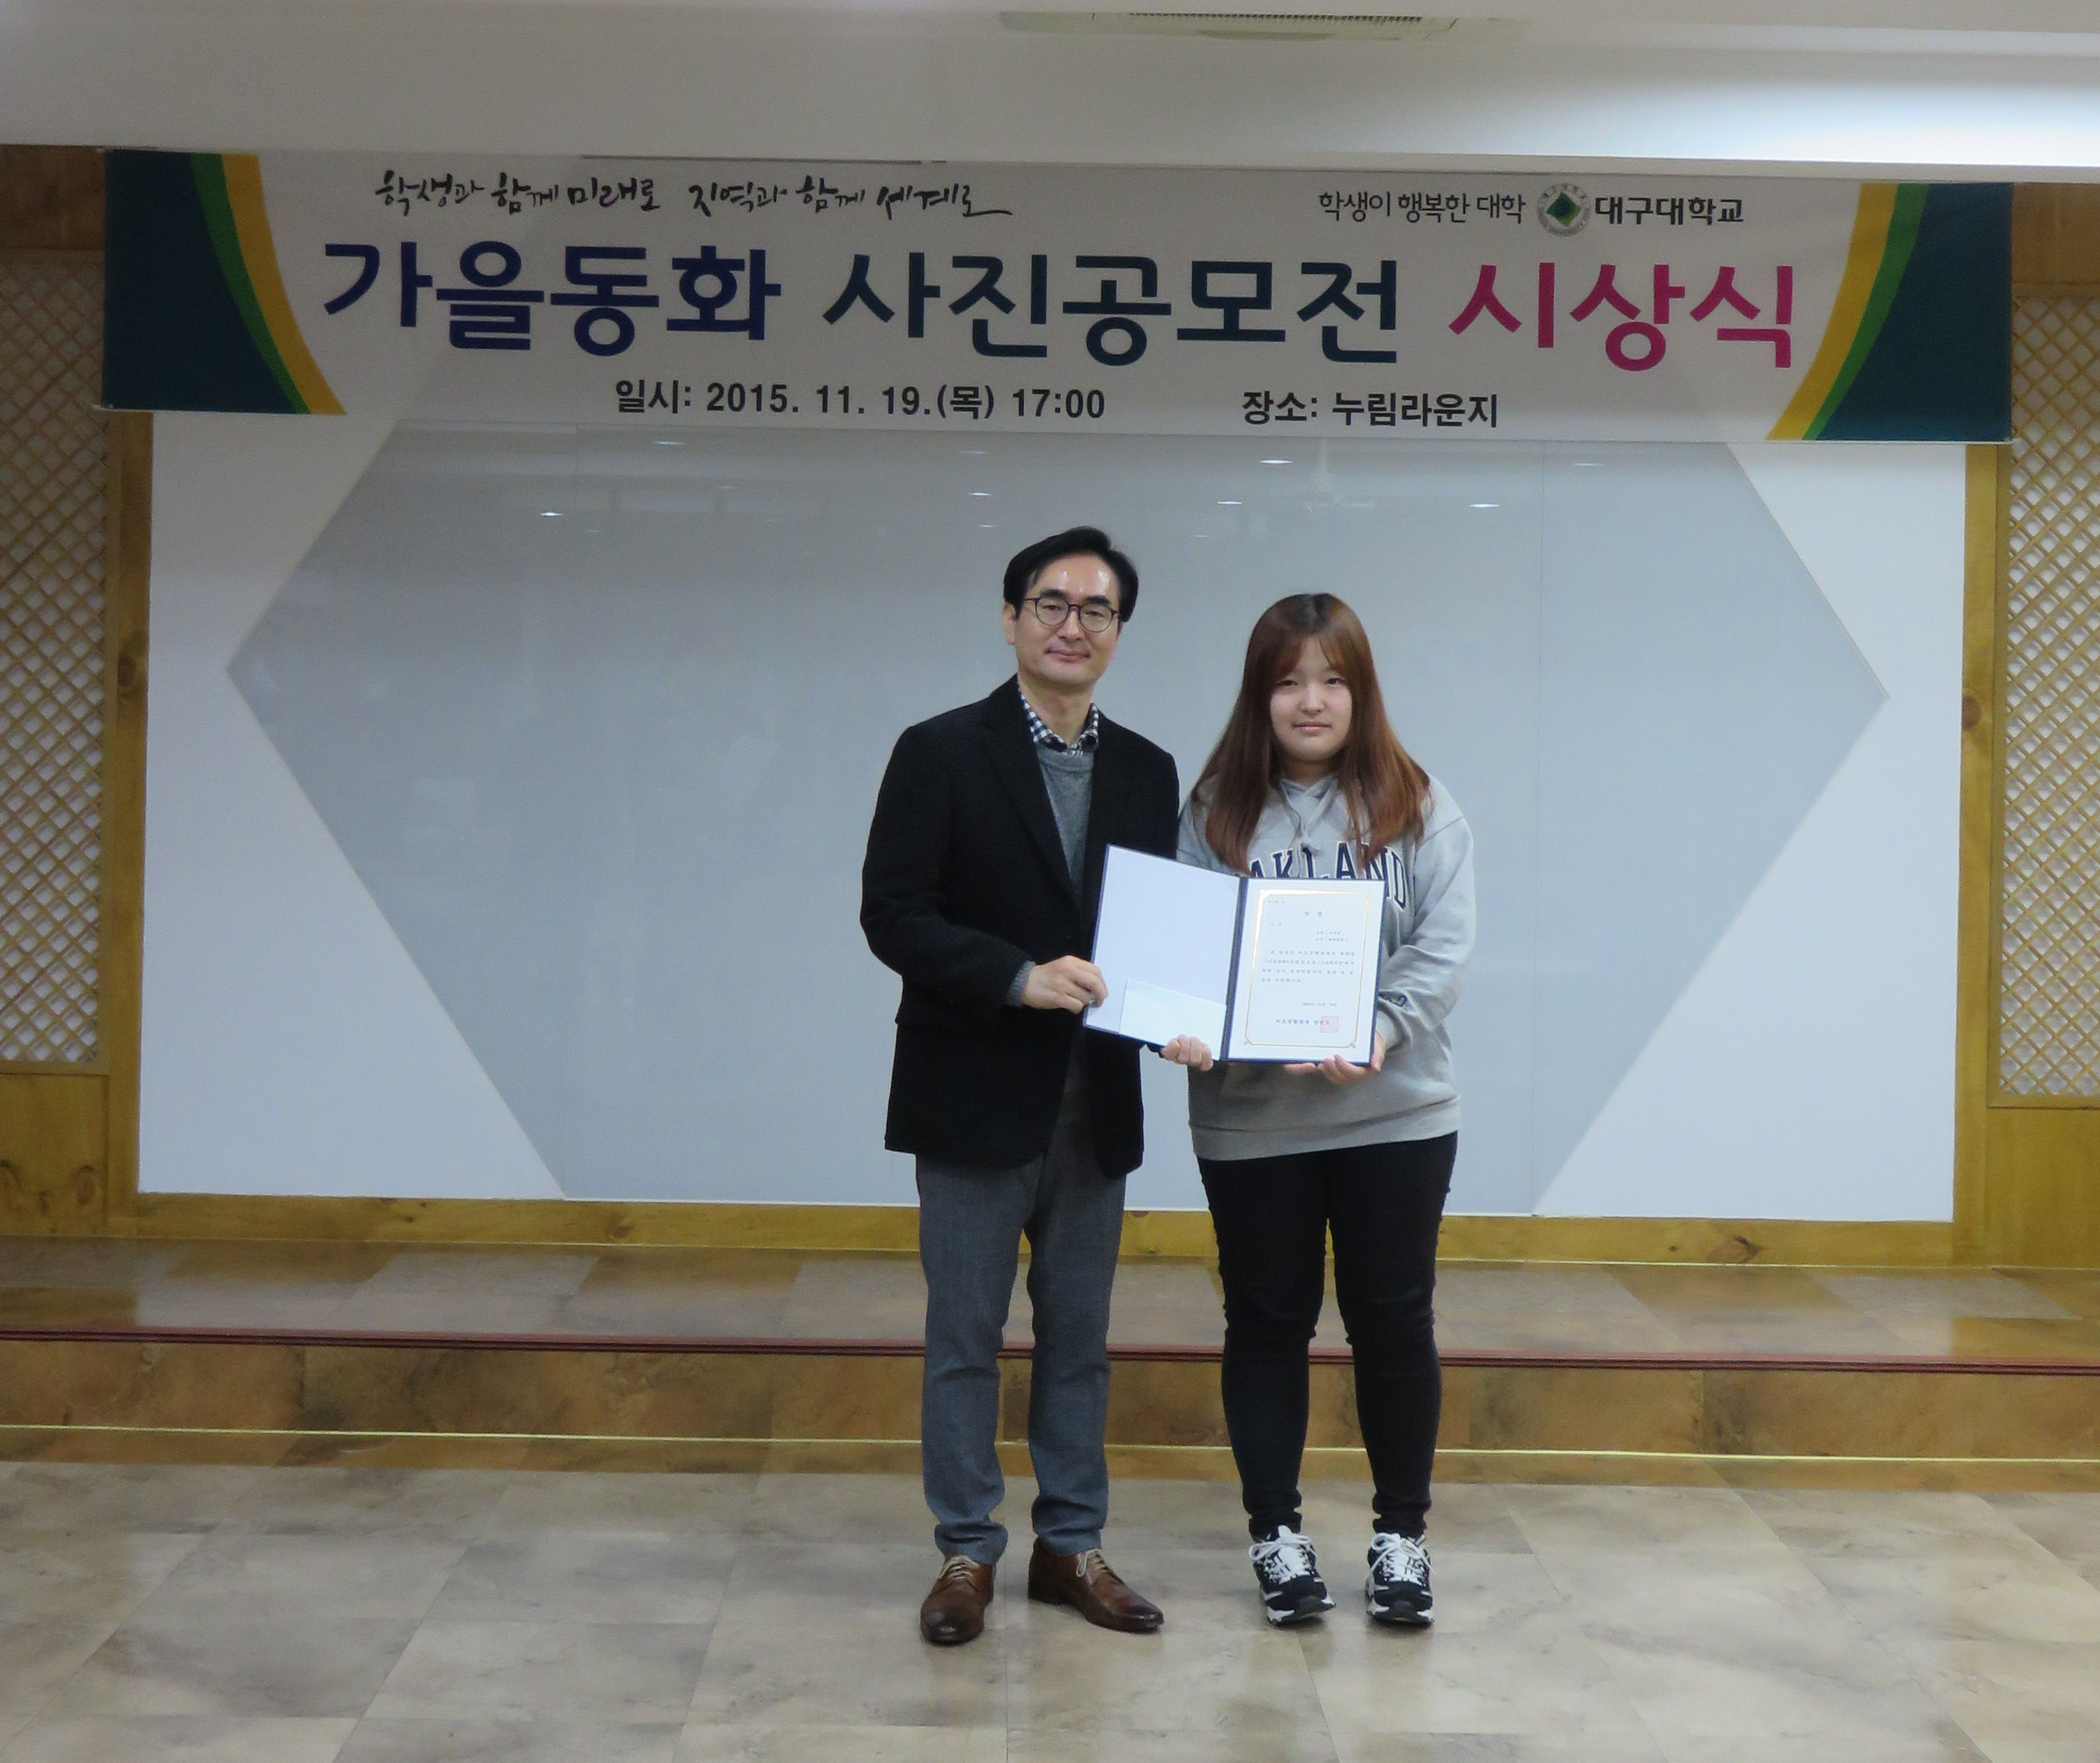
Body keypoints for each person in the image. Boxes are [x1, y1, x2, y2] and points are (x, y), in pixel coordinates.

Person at [861, 526, 1180, 1647]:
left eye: (1097, 610)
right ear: (1010, 619)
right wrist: (1016, 977)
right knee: (965, 1337)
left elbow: (1155, 934)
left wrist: (1185, 1013)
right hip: (972, 1093)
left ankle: (1070, 1546)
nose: (1072, 626)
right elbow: (893, 915)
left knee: (1079, 1339)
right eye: (1051, 603)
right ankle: (966, 1552)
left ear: (1118, 633)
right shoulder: (939, 751)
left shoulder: (1148, 769)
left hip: (1098, 1102)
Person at [1159, 592, 1473, 1630]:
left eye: (1333, 680)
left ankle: (1401, 1539)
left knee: (1394, 1320)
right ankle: (1276, 1536)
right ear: (1260, 695)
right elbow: (1184, 953)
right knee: (1266, 1322)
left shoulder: (1420, 805)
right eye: (1289, 681)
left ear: (1361, 691)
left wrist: (1380, 1028)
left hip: (1394, 1114)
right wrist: (1178, 1020)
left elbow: (1443, 948)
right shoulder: (1213, 811)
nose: (1311, 701)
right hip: (1253, 1124)